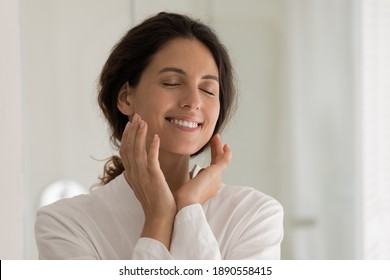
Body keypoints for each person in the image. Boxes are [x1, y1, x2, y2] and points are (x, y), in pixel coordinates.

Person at [34, 12, 283, 260]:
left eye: (208, 89)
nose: (193, 101)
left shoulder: (255, 216)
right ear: (125, 97)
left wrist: (189, 206)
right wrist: (159, 217)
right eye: (172, 83)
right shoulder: (64, 225)